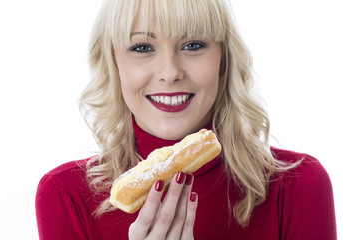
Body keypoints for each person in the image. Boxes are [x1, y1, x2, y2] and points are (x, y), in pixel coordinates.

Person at [35, 0, 337, 239]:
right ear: (113, 64)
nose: (170, 72)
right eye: (142, 47)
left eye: (192, 45)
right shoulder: (67, 196)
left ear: (223, 61)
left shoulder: (297, 186)